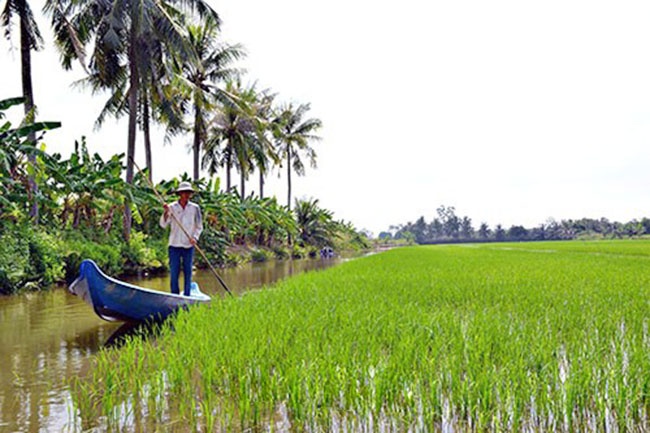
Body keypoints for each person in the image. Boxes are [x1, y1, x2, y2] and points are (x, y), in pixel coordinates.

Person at [159, 181, 203, 296]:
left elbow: (199, 226)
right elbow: (163, 224)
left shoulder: (195, 208)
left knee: (188, 272)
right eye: (184, 192)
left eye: (188, 192)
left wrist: (195, 238)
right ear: (180, 194)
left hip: (189, 245)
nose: (186, 195)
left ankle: (187, 296)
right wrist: (165, 212)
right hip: (174, 245)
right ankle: (175, 296)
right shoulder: (172, 207)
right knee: (174, 272)